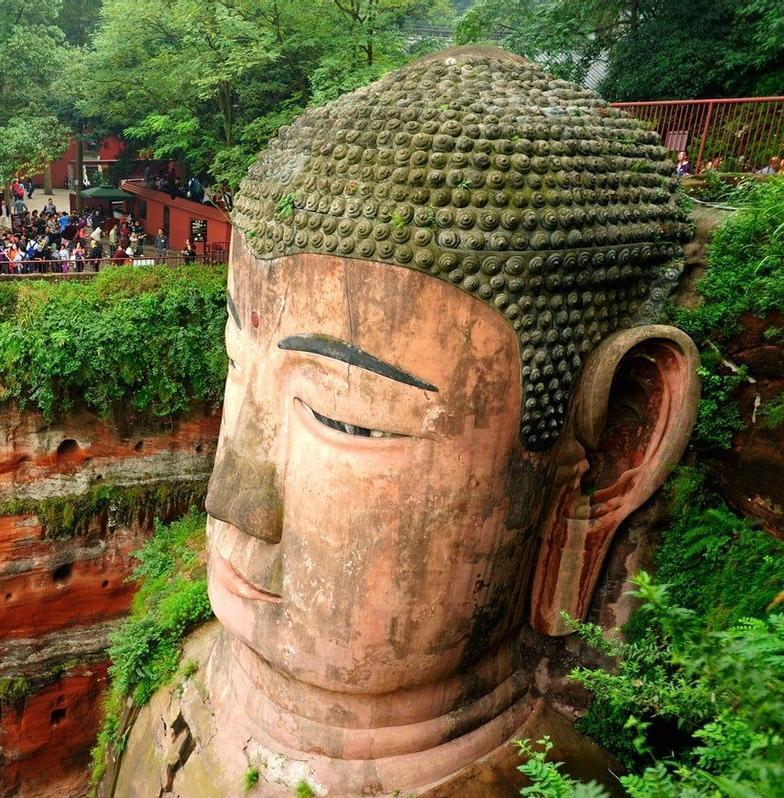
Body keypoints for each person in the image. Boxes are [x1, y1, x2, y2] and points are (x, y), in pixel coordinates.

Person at [108, 47, 700, 797]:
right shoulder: (169, 681)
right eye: (235, 365)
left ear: (621, 445)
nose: (230, 501)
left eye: (343, 419)